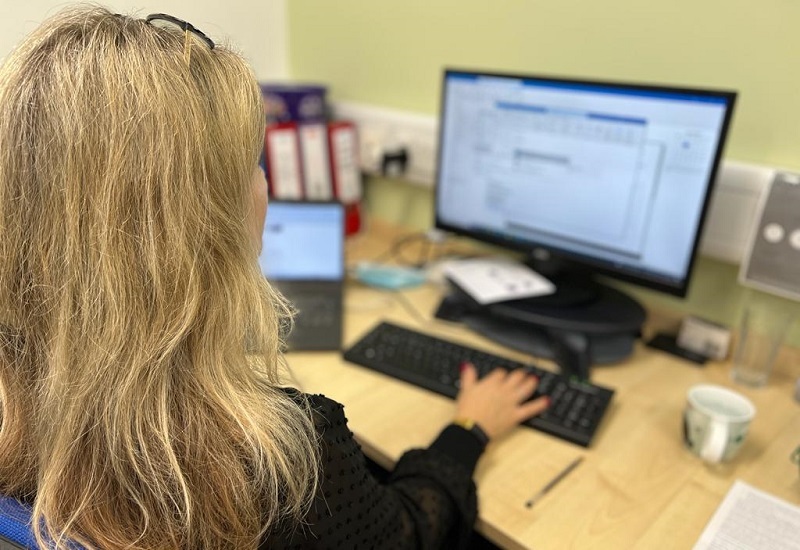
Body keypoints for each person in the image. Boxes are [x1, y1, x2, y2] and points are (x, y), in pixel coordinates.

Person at [0, 6, 549, 549]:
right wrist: (467, 431)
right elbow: (410, 530)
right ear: (204, 228)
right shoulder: (278, 463)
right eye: (252, 166)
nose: (265, 186)